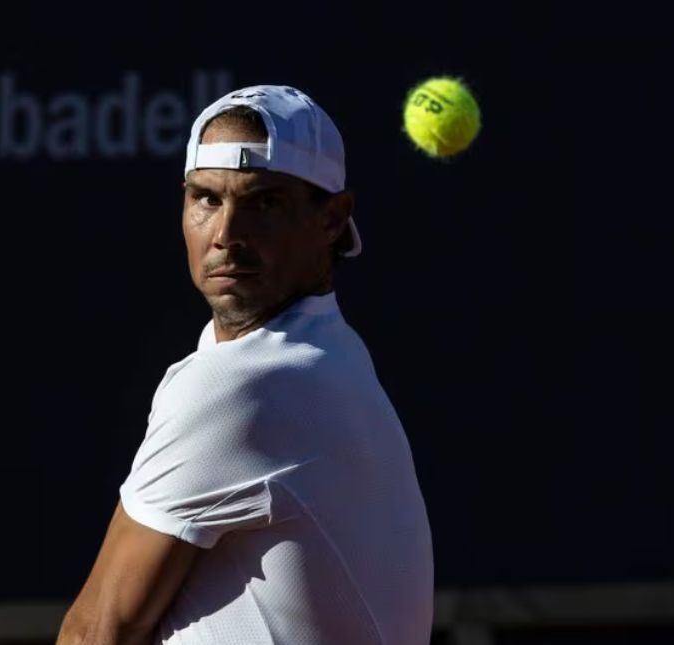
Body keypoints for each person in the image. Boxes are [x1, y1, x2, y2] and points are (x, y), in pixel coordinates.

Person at [57, 85, 433, 645]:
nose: (227, 235)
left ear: (333, 219)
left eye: (265, 203)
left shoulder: (243, 386)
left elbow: (98, 632)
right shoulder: (332, 353)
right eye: (206, 199)